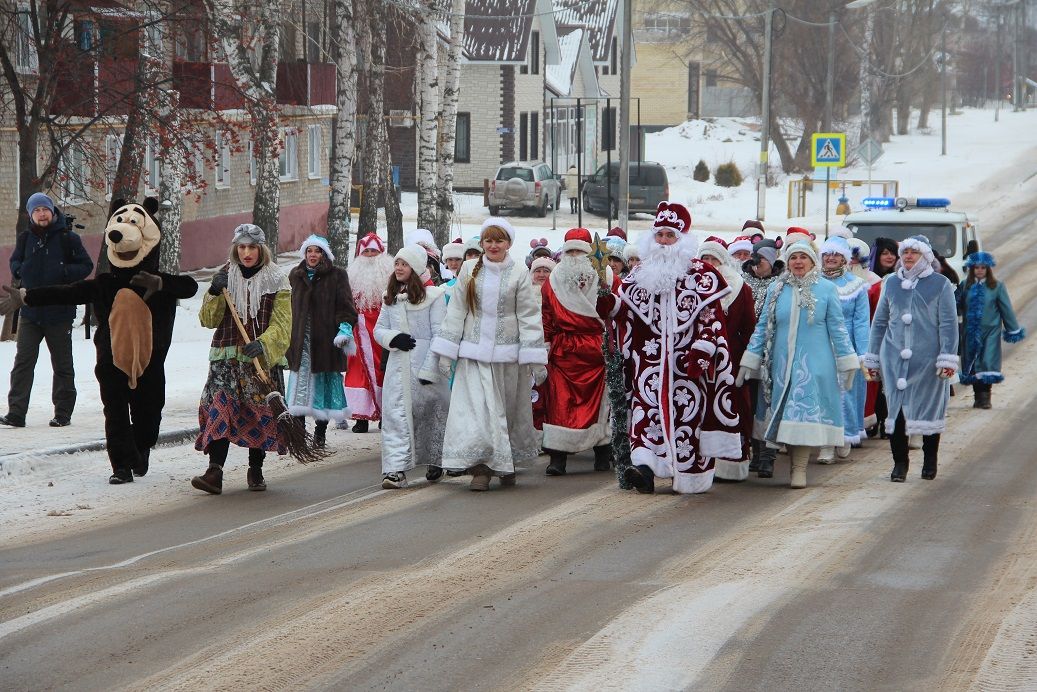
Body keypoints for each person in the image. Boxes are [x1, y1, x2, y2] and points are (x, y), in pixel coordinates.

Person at [597, 201, 741, 494]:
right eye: (659, 235)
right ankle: (646, 470)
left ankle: (689, 478)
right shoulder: (639, 274)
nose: (663, 242)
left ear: (682, 239)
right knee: (645, 414)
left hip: (686, 363)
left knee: (688, 420)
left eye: (669, 236)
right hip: (649, 364)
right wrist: (606, 301)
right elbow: (623, 311)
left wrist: (703, 348)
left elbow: (711, 317)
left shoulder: (701, 275)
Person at [432, 218, 547, 491]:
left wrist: (534, 357)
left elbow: (529, 316)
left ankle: (505, 465)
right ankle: (480, 469)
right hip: (473, 356)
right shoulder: (470, 269)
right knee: (477, 415)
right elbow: (456, 311)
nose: (493, 246)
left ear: (508, 243)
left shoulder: (519, 271)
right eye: (488, 241)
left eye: (499, 240)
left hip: (507, 357)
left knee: (503, 414)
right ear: (482, 243)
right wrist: (447, 352)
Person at [738, 241, 859, 489]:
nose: (798, 262)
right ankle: (795, 464)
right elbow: (762, 327)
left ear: (813, 261)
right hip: (781, 366)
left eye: (804, 257)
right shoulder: (777, 288)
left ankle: (799, 469)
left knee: (800, 414)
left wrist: (848, 361)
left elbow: (837, 327)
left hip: (815, 364)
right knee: (787, 418)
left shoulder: (825, 289)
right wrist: (750, 358)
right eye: (794, 257)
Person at [191, 224, 292, 494]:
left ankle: (255, 468)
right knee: (219, 409)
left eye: (252, 247)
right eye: (242, 247)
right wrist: (213, 292)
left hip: (258, 360)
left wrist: (263, 344)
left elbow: (283, 325)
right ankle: (214, 471)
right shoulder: (225, 277)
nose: (246, 252)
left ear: (262, 249)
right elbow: (208, 320)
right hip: (226, 358)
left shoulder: (277, 280)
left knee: (257, 413)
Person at [863, 235, 958, 482]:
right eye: (904, 253)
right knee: (896, 413)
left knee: (929, 412)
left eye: (913, 253)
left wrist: (947, 359)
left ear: (924, 256)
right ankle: (900, 463)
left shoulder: (940, 284)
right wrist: (873, 357)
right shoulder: (891, 283)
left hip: (928, 360)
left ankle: (929, 459)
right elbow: (880, 322)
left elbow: (948, 324)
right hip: (893, 360)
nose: (907, 257)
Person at [1, 193, 93, 428]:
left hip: (58, 313)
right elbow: (14, 261)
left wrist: (64, 273)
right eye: (37, 210)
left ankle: (62, 412)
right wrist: (20, 270)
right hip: (30, 313)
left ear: (52, 212)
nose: (42, 214)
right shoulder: (25, 238)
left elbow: (86, 265)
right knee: (23, 362)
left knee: (62, 364)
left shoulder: (67, 238)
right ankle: (16, 413)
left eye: (45, 209)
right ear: (31, 215)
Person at [541, 228, 614, 476]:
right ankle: (558, 457)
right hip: (565, 350)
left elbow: (615, 313)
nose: (574, 256)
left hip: (596, 348)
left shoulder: (607, 277)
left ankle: (603, 452)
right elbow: (546, 316)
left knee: (601, 404)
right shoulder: (552, 281)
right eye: (570, 251)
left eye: (580, 252)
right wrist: (546, 344)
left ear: (590, 254)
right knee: (560, 402)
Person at [376, 246, 450, 488]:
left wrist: (431, 369)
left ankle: (435, 460)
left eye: (404, 264)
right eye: (396, 263)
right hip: (398, 368)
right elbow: (379, 329)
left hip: (426, 365)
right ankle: (395, 470)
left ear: (416, 268)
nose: (398, 268)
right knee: (396, 415)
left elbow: (440, 333)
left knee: (429, 414)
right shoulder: (390, 298)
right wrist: (392, 338)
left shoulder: (435, 297)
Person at [285, 235, 357, 447]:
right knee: (298, 390)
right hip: (300, 343)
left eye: (317, 251)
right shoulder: (295, 276)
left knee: (322, 391)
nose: (313, 255)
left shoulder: (337, 276)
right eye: (309, 251)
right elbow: (287, 308)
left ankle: (320, 433)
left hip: (325, 342)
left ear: (324, 254)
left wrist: (344, 330)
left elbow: (346, 308)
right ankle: (298, 436)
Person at [698, 236, 757, 481]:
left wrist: (745, 360)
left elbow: (750, 326)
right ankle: (700, 462)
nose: (710, 263)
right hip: (698, 359)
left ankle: (731, 463)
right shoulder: (691, 286)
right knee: (699, 410)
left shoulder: (739, 288)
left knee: (732, 407)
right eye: (705, 258)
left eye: (714, 259)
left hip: (729, 358)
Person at [818, 236, 870, 463]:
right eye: (827, 254)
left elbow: (861, 322)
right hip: (819, 347)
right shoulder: (813, 282)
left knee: (846, 394)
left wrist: (862, 354)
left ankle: (845, 435)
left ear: (845, 259)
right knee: (822, 395)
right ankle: (826, 444)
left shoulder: (856, 285)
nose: (830, 258)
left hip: (846, 348)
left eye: (836, 255)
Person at [957, 251, 1024, 409]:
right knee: (972, 365)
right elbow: (957, 305)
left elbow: (1005, 308)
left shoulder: (996, 287)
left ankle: (985, 397)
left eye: (983, 268)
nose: (980, 270)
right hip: (970, 332)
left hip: (990, 333)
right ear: (972, 269)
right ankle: (977, 396)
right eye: (977, 268)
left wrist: (1012, 329)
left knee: (987, 363)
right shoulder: (965, 285)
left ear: (988, 269)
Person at [741, 236, 784, 477]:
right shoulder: (742, 282)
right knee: (750, 401)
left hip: (772, 352)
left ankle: (768, 455)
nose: (758, 264)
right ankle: (755, 453)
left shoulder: (781, 284)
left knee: (766, 403)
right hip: (748, 351)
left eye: (763, 259)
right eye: (755, 259)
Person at [344, 232, 393, 432]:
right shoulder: (352, 275)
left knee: (384, 371)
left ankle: (385, 414)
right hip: (358, 330)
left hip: (381, 329)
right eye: (367, 251)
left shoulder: (390, 273)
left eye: (374, 251)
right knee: (358, 371)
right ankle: (361, 418)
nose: (371, 255)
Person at [529, 255, 555, 432]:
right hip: (527, 350)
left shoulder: (557, 295)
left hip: (551, 351)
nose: (541, 274)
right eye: (538, 270)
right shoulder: (524, 294)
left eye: (546, 271)